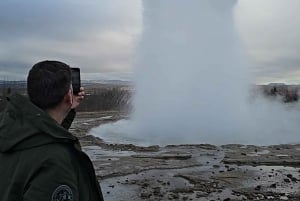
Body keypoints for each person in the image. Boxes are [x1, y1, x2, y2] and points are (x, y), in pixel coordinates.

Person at [0, 60, 104, 201]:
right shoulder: (55, 161)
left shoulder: (10, 129)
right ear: (68, 96)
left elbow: (43, 134)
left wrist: (69, 108)